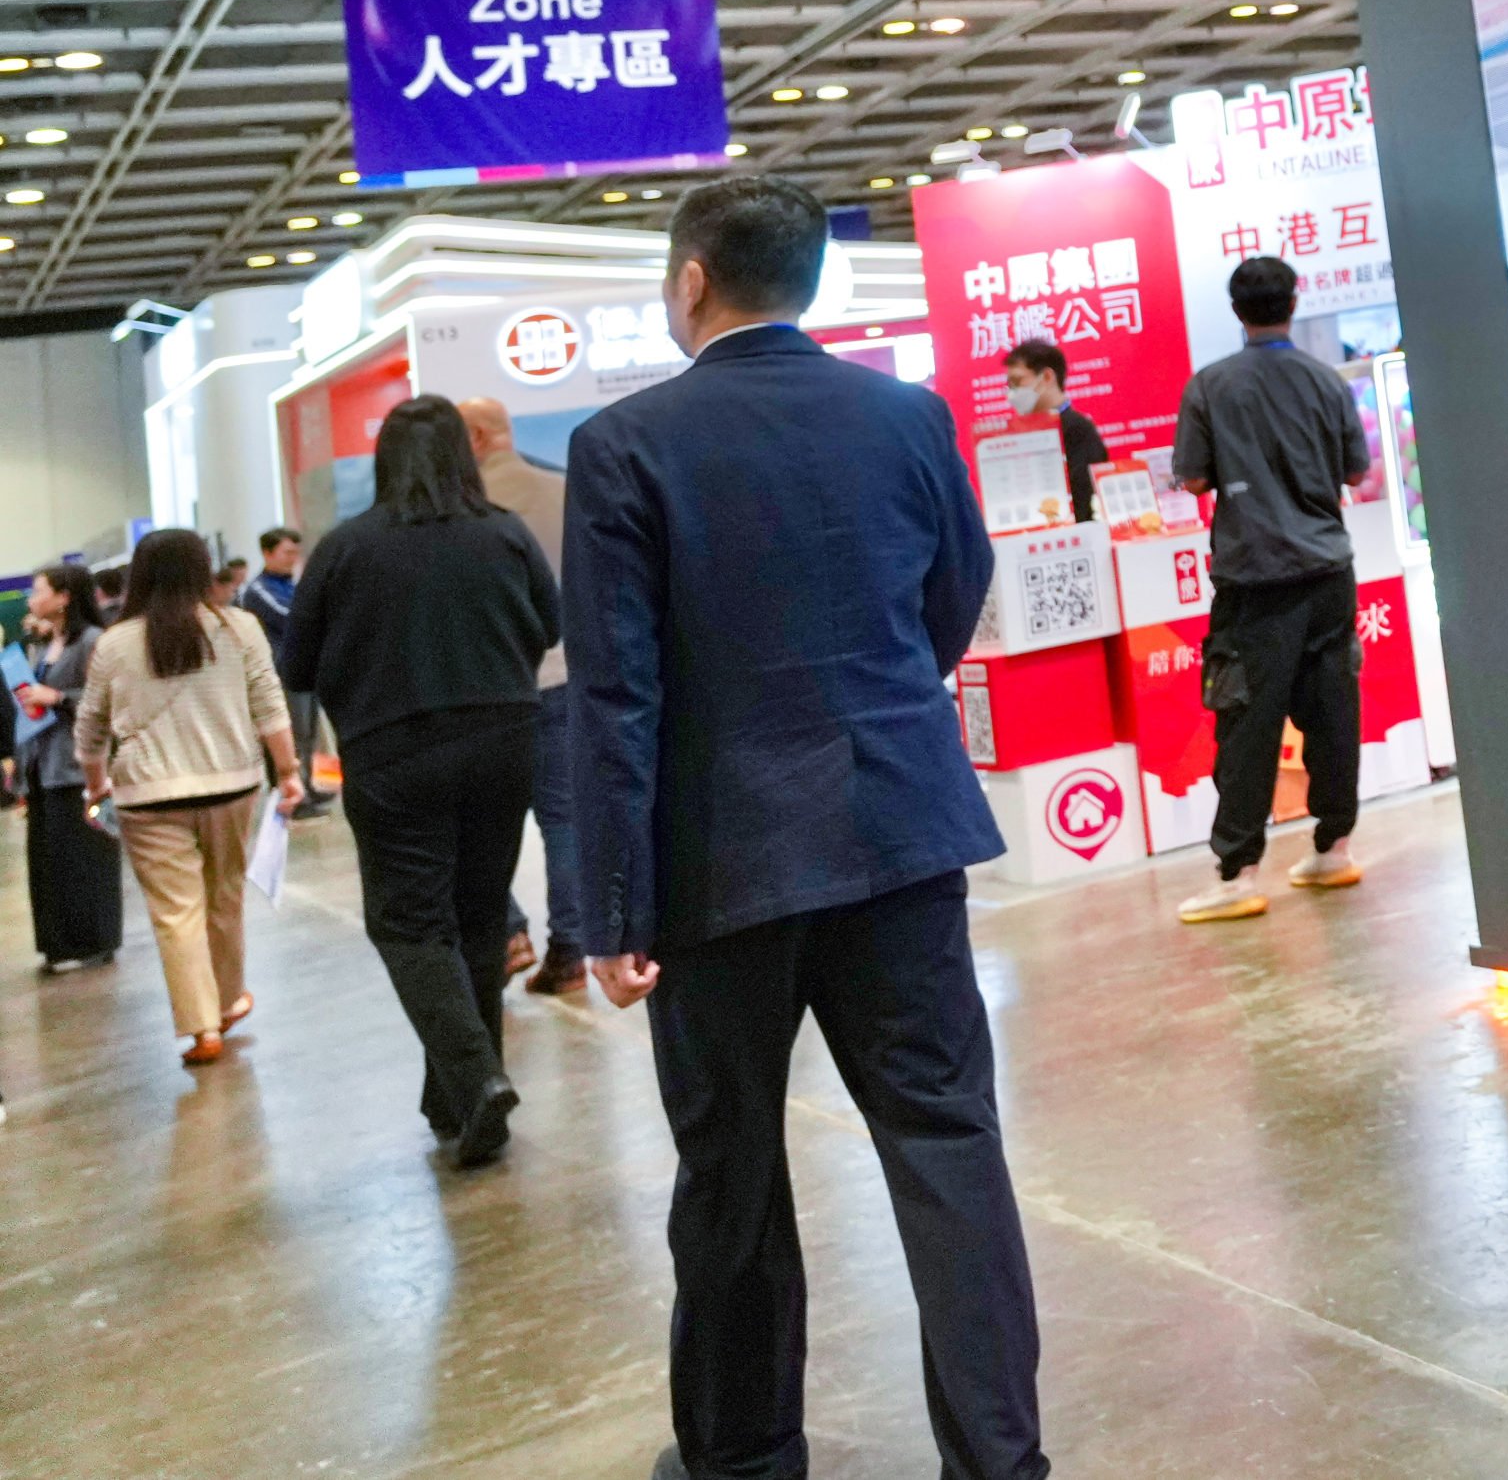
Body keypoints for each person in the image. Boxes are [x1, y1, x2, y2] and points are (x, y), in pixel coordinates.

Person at [565, 172, 1045, 1480]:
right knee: (949, 1142)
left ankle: (741, 1454)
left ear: (689, 282)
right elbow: (954, 592)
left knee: (730, 1163)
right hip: (900, 831)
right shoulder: (905, 413)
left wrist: (608, 906)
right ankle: (1001, 1458)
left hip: (718, 864)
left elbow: (616, 692)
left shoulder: (625, 443)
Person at [281, 396, 558, 1165]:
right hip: (504, 739)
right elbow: (551, 623)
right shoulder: (504, 532)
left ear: (383, 463)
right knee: (475, 916)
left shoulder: (343, 549)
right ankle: (460, 1098)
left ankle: (474, 1080)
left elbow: (296, 666)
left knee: (408, 924)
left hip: (393, 751)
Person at [1163, 254, 1369, 924]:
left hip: (1255, 576)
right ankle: (1333, 845)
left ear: (1235, 308)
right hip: (1329, 570)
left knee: (1246, 721)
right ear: (1293, 300)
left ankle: (1237, 871)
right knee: (1333, 706)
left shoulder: (1210, 386)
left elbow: (1191, 479)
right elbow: (1355, 469)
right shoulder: (1324, 380)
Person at [75, 528, 298, 1068]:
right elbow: (269, 704)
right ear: (202, 570)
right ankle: (225, 1003)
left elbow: (90, 726)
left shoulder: (115, 641)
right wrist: (289, 770)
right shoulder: (238, 627)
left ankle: (202, 1031)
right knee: (225, 899)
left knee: (177, 913)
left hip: (149, 797)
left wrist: (96, 783)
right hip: (232, 786)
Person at [457, 396, 588, 999]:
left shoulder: (463, 510)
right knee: (562, 818)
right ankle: (571, 946)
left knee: (474, 820)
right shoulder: (563, 491)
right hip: (561, 674)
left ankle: (508, 932)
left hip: (485, 688)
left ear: (478, 438)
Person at [17, 564, 124, 971]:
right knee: (49, 862)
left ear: (64, 597)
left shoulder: (92, 642)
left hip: (78, 767)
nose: (31, 598)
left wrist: (57, 697)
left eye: (38, 590)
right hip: (42, 767)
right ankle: (58, 944)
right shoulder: (46, 643)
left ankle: (94, 941)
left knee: (85, 860)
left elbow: (107, 699)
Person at [237, 528, 330, 818]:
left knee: (308, 734)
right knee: (293, 734)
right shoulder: (259, 591)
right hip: (282, 673)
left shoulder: (291, 585)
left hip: (306, 668)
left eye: (295, 553)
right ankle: (294, 793)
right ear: (267, 553)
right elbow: (291, 618)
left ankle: (308, 785)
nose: (293, 559)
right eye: (287, 552)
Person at [999, 340, 1107, 512]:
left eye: (1018, 381)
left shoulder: (1079, 430)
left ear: (1047, 377)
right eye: (1009, 385)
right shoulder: (1020, 434)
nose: (1012, 392)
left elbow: (1086, 496)